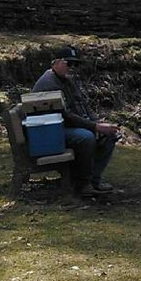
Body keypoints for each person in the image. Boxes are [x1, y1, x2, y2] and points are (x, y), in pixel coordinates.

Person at [32, 45, 119, 197]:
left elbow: (82, 105)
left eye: (75, 64)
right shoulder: (49, 83)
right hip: (48, 131)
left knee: (110, 135)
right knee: (86, 137)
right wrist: (95, 127)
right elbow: (65, 115)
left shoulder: (67, 81)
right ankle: (82, 183)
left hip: (63, 126)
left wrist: (97, 122)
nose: (72, 68)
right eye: (69, 63)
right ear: (56, 62)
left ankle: (94, 179)